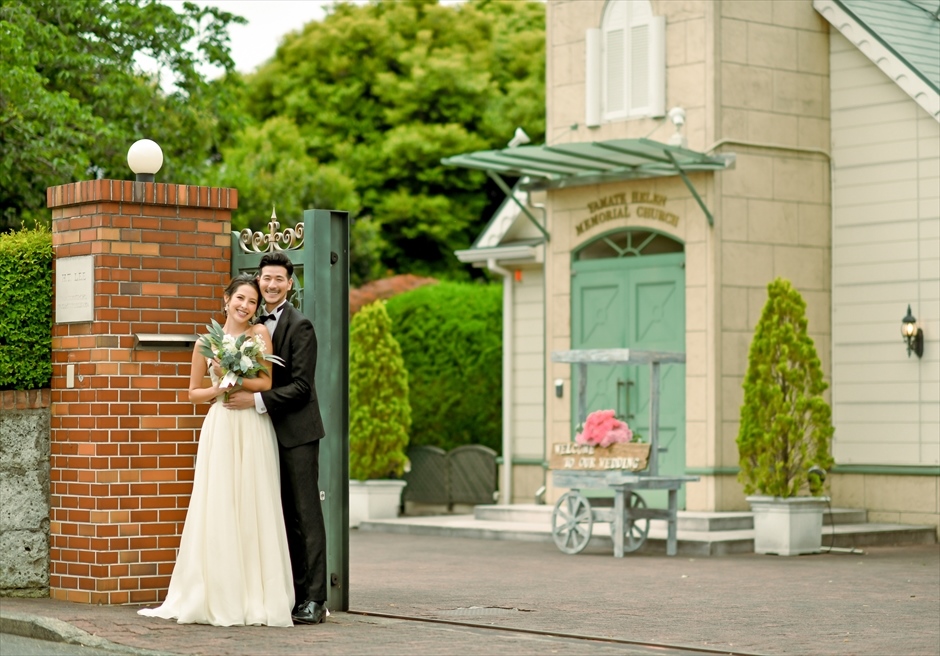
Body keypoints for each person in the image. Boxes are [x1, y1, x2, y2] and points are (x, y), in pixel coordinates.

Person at [139, 274, 294, 627]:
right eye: (240, 298)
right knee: (219, 502)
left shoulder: (259, 335)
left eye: (252, 302)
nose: (245, 306)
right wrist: (220, 385)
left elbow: (266, 382)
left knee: (254, 502)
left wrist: (238, 379)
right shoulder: (206, 342)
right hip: (221, 424)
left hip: (252, 427)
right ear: (226, 300)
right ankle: (217, 592)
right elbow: (193, 392)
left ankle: (256, 596)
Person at [222, 252, 329, 626]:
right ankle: (289, 594)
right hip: (261, 433)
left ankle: (315, 599)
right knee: (276, 515)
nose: (271, 285)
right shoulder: (250, 325)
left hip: (297, 433)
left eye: (278, 279)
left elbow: (301, 387)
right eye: (265, 279)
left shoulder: (301, 326)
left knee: (305, 514)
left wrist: (255, 399)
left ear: (290, 283)